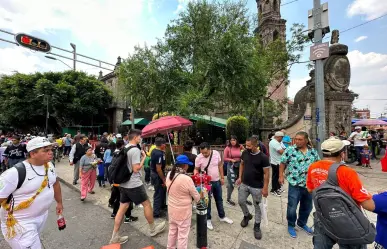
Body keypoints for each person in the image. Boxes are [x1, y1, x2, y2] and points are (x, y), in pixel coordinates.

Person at [306, 137, 376, 249]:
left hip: (323, 216)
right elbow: (369, 206)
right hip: (347, 222)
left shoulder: (313, 167)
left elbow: (310, 189)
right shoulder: (347, 172)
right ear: (342, 154)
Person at [0, 137, 64, 248]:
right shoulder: (13, 174)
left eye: (51, 149)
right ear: (33, 153)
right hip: (20, 223)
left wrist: (59, 202)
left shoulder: (49, 166)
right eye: (46, 150)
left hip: (41, 217)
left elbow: (55, 183)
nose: (51, 153)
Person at [110, 129, 166, 245]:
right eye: (140, 137)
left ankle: (115, 236)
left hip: (123, 184)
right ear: (135, 137)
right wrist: (144, 157)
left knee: (122, 208)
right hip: (134, 184)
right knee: (147, 204)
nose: (141, 139)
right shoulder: (135, 150)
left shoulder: (125, 148)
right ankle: (152, 229)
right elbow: (136, 169)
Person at [279, 131, 320, 238]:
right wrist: (281, 176)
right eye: (296, 139)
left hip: (309, 185)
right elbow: (283, 162)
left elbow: (317, 165)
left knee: (307, 207)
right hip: (294, 184)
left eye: (300, 139)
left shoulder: (313, 152)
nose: (297, 141)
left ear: (306, 140)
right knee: (292, 207)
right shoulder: (290, 150)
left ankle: (302, 223)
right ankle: (291, 225)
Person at [236, 136, 270, 240]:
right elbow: (242, 164)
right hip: (244, 184)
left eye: (249, 145)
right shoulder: (245, 153)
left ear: (256, 145)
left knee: (257, 207)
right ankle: (247, 216)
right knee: (241, 201)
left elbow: (266, 174)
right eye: (246, 145)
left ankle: (257, 226)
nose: (247, 147)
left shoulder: (263, 157)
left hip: (257, 187)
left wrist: (265, 188)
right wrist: (240, 177)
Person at [194, 142, 233, 230]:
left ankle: (222, 216)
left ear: (210, 149)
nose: (204, 154)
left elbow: (220, 165)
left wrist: (222, 177)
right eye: (202, 153)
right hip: (205, 183)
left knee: (219, 199)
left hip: (216, 181)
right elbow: (196, 169)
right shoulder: (198, 157)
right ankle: (208, 219)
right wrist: (196, 176)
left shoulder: (216, 154)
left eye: (206, 153)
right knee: (207, 201)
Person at [166, 155, 201, 249]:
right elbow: (196, 196)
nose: (188, 167)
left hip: (171, 209)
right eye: (188, 165)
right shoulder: (187, 179)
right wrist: (199, 196)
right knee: (182, 236)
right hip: (183, 212)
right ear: (185, 165)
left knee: (172, 231)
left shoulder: (169, 174)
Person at [109, 139, 138, 223]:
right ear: (122, 145)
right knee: (126, 199)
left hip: (115, 180)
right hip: (122, 180)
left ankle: (114, 213)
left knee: (118, 198)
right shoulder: (123, 154)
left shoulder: (115, 153)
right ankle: (128, 217)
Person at [223, 135, 243, 206]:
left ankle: (243, 199)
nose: (233, 141)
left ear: (237, 140)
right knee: (231, 183)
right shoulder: (228, 148)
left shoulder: (240, 146)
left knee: (241, 183)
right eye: (231, 140)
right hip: (231, 166)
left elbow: (244, 153)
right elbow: (224, 158)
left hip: (240, 165)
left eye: (234, 140)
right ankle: (228, 199)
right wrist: (231, 159)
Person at [150, 137, 167, 218]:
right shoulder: (159, 154)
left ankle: (162, 206)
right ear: (162, 145)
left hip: (154, 173)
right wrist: (163, 179)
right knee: (158, 193)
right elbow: (158, 168)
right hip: (157, 175)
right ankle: (156, 212)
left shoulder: (155, 151)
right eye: (165, 144)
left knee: (163, 191)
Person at [269, 131, 285, 197]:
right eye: (282, 137)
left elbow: (284, 148)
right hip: (276, 162)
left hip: (278, 162)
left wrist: (284, 150)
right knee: (275, 177)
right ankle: (273, 190)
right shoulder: (274, 142)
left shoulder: (278, 142)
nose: (282, 139)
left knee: (278, 176)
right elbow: (282, 152)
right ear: (278, 137)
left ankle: (277, 188)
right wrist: (284, 150)